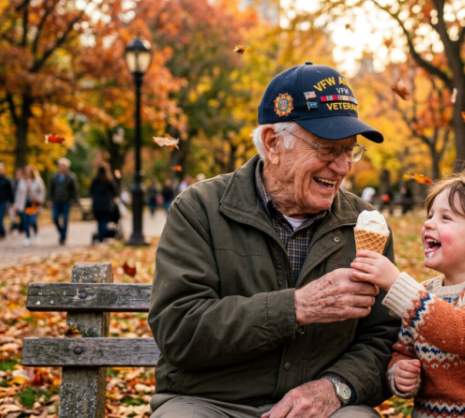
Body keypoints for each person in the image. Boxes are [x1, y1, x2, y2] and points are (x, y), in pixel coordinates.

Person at [148, 63, 399, 418]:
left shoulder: (365, 225)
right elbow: (179, 329)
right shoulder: (199, 209)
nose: (343, 167)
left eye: (349, 150)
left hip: (323, 407)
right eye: (328, 148)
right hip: (211, 402)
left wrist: (337, 386)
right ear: (273, 143)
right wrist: (296, 307)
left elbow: (382, 338)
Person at [351, 167, 465, 418]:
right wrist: (401, 372)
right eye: (430, 215)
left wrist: (397, 283)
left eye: (445, 218)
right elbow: (404, 349)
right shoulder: (426, 293)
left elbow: (464, 333)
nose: (428, 223)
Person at [14, 165, 46, 246]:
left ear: (32, 172)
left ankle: (36, 235)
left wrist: (39, 199)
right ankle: (27, 238)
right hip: (24, 204)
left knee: (32, 220)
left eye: (29, 171)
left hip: (34, 204)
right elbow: (18, 193)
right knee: (25, 221)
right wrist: (16, 205)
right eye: (26, 171)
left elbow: (42, 192)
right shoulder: (22, 181)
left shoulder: (37, 180)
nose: (28, 173)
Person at [49, 158, 78, 245]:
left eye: (63, 166)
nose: (62, 167)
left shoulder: (71, 177)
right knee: (55, 218)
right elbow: (51, 189)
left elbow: (75, 190)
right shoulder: (54, 177)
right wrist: (50, 199)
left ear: (67, 167)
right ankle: (62, 233)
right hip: (56, 201)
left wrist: (75, 201)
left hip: (66, 201)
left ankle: (63, 237)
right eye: (60, 165)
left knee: (65, 220)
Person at [90, 166, 117, 244]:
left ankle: (101, 237)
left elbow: (91, 191)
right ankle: (102, 237)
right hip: (106, 204)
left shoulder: (95, 181)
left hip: (97, 205)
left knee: (99, 222)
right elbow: (114, 192)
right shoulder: (108, 181)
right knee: (104, 222)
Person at [9, 167, 24, 234]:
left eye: (19, 173)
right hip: (14, 202)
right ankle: (14, 226)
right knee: (13, 215)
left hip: (22, 202)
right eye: (17, 174)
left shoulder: (24, 182)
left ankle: (20, 228)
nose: (18, 175)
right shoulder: (13, 182)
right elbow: (11, 192)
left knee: (22, 216)